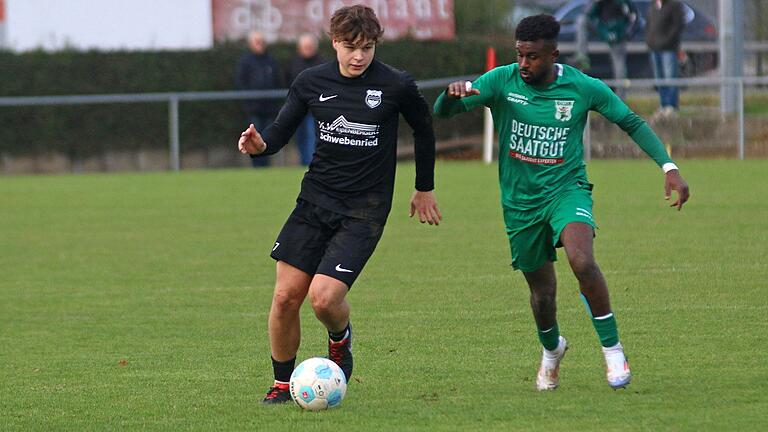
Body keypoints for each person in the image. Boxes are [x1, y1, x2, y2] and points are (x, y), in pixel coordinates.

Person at [434, 14, 689, 391]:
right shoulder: (501, 81)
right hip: (520, 203)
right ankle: (552, 350)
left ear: (553, 54)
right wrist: (449, 95)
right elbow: (442, 113)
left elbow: (631, 121)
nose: (524, 64)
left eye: (532, 56)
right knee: (542, 293)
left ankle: (612, 349)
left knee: (582, 259)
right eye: (520, 55)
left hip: (567, 190)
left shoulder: (583, 87)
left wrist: (668, 166)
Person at [237, 5, 441, 404]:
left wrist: (424, 187)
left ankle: (339, 338)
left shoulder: (396, 85)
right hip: (314, 201)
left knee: (324, 298)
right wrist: (259, 146)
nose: (359, 56)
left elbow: (424, 129)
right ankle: (282, 385)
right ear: (334, 43)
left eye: (367, 47)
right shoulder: (311, 81)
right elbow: (278, 133)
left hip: (364, 210)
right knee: (285, 297)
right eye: (351, 47)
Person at [235, 30, 282, 167]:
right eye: (256, 42)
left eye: (261, 41)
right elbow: (240, 83)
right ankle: (257, 166)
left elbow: (278, 81)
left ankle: (265, 166)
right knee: (253, 138)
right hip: (254, 109)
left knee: (267, 139)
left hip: (270, 108)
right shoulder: (245, 62)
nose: (260, 45)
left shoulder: (271, 60)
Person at [285, 33, 325, 166]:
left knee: (312, 136)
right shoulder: (294, 63)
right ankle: (303, 162)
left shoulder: (322, 64)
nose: (307, 50)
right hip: (297, 108)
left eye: (309, 47)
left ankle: (311, 163)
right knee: (300, 137)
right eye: (304, 47)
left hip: (314, 108)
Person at [587, 0, 639, 99]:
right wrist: (603, 33)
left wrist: (624, 34)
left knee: (619, 68)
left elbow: (633, 17)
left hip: (617, 38)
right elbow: (590, 18)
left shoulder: (622, 3)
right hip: (602, 35)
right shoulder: (599, 4)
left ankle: (620, 98)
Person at [646, 0, 686, 118]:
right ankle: (663, 105)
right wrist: (649, 41)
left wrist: (667, 40)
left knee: (670, 77)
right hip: (654, 48)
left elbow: (678, 25)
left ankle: (672, 106)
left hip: (668, 48)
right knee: (659, 78)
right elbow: (648, 25)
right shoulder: (653, 6)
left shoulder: (674, 5)